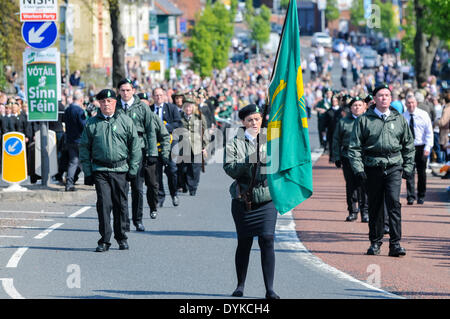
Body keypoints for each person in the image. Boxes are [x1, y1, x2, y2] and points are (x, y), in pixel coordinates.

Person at [348, 84, 415, 257]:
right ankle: (375, 243)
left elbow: (408, 145)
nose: (384, 98)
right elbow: (354, 147)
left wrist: (408, 167)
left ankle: (395, 244)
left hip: (393, 166)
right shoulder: (364, 120)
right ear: (374, 99)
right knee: (376, 206)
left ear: (391, 98)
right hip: (373, 167)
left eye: (387, 95)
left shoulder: (398, 119)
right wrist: (358, 169)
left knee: (394, 203)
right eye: (380, 95)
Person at [223, 104, 280, 299]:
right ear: (243, 123)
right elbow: (230, 169)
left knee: (267, 239)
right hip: (243, 199)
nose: (254, 123)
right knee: (244, 242)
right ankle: (240, 285)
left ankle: (270, 290)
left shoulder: (271, 140)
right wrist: (250, 159)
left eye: (257, 119)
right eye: (250, 120)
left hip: (266, 198)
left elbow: (281, 165)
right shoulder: (234, 144)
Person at [79, 89, 141, 252]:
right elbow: (84, 148)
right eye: (103, 102)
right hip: (100, 170)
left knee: (120, 204)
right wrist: (88, 172)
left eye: (110, 101)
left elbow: (135, 147)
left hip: (120, 169)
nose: (106, 104)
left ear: (115, 102)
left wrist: (133, 169)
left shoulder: (125, 121)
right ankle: (105, 240)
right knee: (104, 205)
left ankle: (121, 237)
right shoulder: (92, 124)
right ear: (99, 104)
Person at [116, 78, 154, 232]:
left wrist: (152, 153)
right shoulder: (115, 107)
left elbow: (151, 130)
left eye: (128, 90)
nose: (125, 93)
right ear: (118, 91)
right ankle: (123, 222)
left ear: (133, 91)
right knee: (121, 190)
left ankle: (137, 219)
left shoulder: (142, 108)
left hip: (138, 152)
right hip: (119, 153)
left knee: (137, 189)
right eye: (122, 90)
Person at [332, 97, 369, 222]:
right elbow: (336, 140)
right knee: (351, 186)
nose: (357, 107)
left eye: (359, 105)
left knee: (364, 186)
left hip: (364, 158)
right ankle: (353, 211)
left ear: (364, 106)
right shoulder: (343, 122)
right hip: (348, 157)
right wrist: (336, 157)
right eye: (354, 105)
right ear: (350, 108)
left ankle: (365, 212)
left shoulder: (368, 120)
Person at [137, 92, 171, 219]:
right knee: (137, 187)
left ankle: (153, 207)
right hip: (137, 157)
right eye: (140, 103)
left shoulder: (154, 118)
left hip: (152, 156)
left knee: (152, 184)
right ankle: (137, 215)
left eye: (145, 103)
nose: (143, 106)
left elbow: (165, 136)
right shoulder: (132, 119)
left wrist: (165, 153)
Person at [152, 87, 183, 207]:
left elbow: (178, 123)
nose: (158, 97)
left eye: (160, 95)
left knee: (172, 169)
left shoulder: (172, 108)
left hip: (170, 141)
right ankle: (160, 196)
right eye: (156, 95)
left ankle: (174, 194)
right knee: (156, 171)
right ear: (153, 96)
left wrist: (165, 127)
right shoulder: (150, 110)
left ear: (164, 96)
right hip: (154, 143)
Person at [403, 93, 433, 205]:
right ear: (406, 104)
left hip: (421, 146)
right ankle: (410, 196)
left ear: (416, 103)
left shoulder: (423, 115)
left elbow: (429, 132)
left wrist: (428, 147)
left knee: (421, 173)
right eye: (409, 103)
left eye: (412, 103)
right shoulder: (403, 116)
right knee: (409, 172)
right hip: (409, 148)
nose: (411, 105)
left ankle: (421, 195)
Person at [178, 97, 207, 196]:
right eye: (186, 107)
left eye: (190, 107)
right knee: (183, 168)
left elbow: (204, 132)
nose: (188, 109)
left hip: (196, 146)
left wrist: (204, 147)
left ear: (193, 107)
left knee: (195, 168)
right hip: (183, 147)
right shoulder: (179, 117)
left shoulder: (199, 117)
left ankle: (193, 187)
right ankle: (185, 184)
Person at [63, 89, 86, 191]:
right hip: (80, 139)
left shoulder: (67, 109)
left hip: (70, 139)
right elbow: (84, 125)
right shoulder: (79, 111)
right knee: (83, 161)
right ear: (81, 100)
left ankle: (69, 182)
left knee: (73, 161)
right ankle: (72, 180)